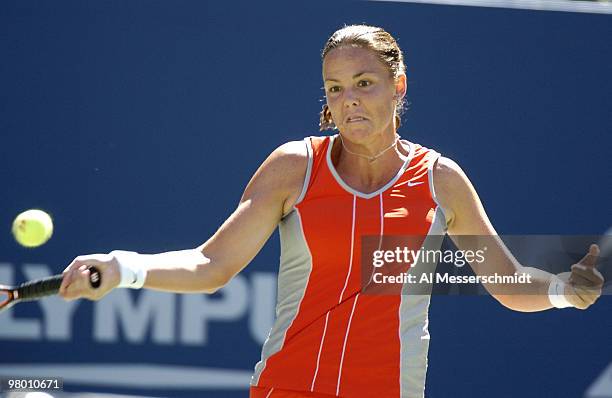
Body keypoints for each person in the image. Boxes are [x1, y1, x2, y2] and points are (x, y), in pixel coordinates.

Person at [59, 25, 604, 398]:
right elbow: (211, 267)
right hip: (287, 387)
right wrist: (122, 267)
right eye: (336, 88)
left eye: (364, 84)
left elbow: (506, 282)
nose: (349, 100)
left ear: (399, 87)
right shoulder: (294, 167)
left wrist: (562, 290)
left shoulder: (441, 181)